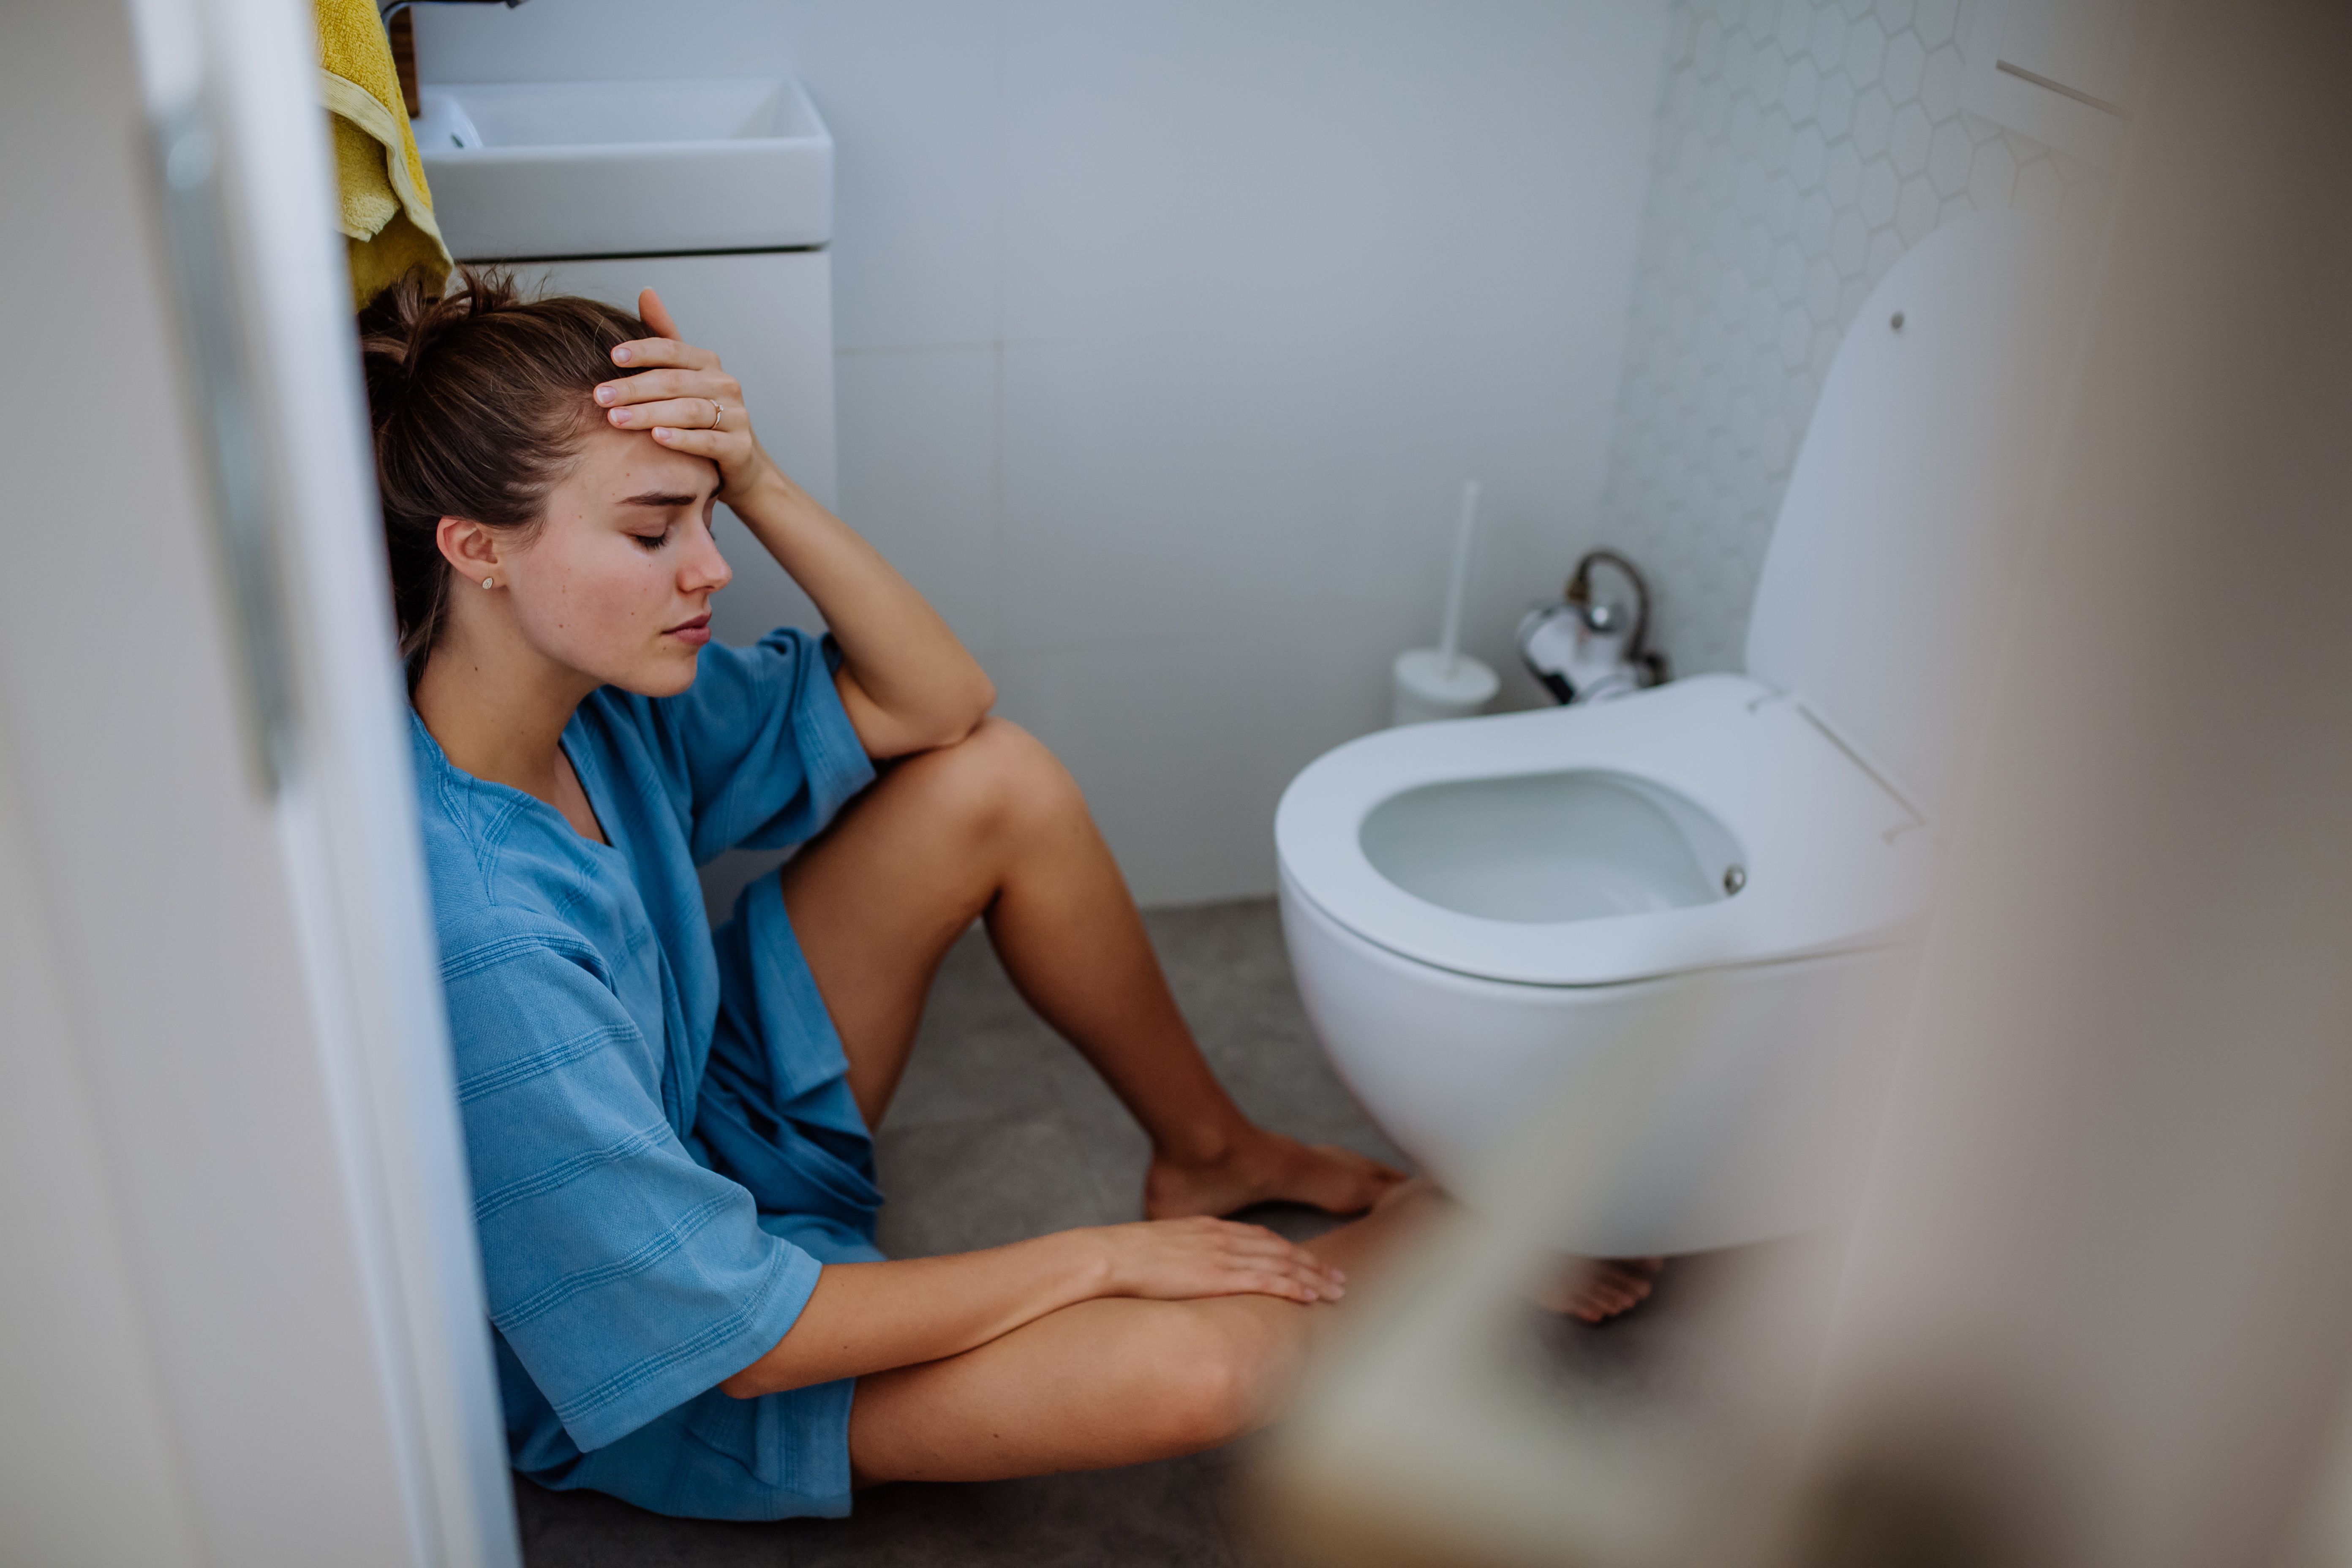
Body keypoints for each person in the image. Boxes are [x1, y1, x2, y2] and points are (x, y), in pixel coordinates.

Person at [363, 268, 1655, 1522]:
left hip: (705, 1126)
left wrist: (757, 476)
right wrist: (1093, 1260)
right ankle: (1410, 1257)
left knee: (997, 779)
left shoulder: (590, 708)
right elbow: (738, 1334)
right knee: (1216, 1367)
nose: (710, 569)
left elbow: (938, 701)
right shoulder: (484, 933)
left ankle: (1213, 1153)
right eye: (654, 532)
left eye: (709, 519)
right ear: (476, 550)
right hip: (679, 1365)